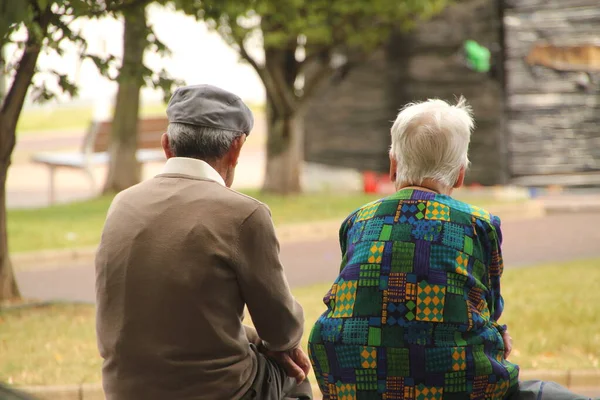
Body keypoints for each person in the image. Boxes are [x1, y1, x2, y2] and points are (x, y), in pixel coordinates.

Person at [307, 98, 590, 400]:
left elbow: (360, 297)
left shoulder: (357, 221)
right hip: (456, 381)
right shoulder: (478, 224)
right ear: (460, 175)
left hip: (349, 379)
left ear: (392, 165)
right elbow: (490, 307)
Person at [95, 84, 312, 400]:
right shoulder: (244, 214)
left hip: (124, 390)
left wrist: (255, 339)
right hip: (217, 392)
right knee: (295, 375)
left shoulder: (122, 203)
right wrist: (278, 344)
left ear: (167, 145)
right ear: (236, 148)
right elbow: (282, 330)